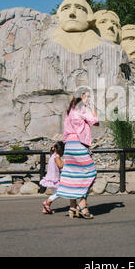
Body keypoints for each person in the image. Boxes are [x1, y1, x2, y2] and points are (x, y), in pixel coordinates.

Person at [56, 87, 99, 219]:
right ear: (82, 97)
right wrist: (93, 107)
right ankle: (82, 205)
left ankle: (72, 207)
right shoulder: (82, 109)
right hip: (78, 144)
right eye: (87, 96)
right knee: (90, 172)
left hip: (69, 145)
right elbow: (95, 121)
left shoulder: (70, 111)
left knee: (73, 174)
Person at [40, 141, 65, 214]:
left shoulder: (52, 155)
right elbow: (60, 165)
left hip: (51, 177)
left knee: (55, 193)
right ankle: (47, 202)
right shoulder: (57, 157)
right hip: (55, 178)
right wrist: (65, 161)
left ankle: (46, 208)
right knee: (60, 193)